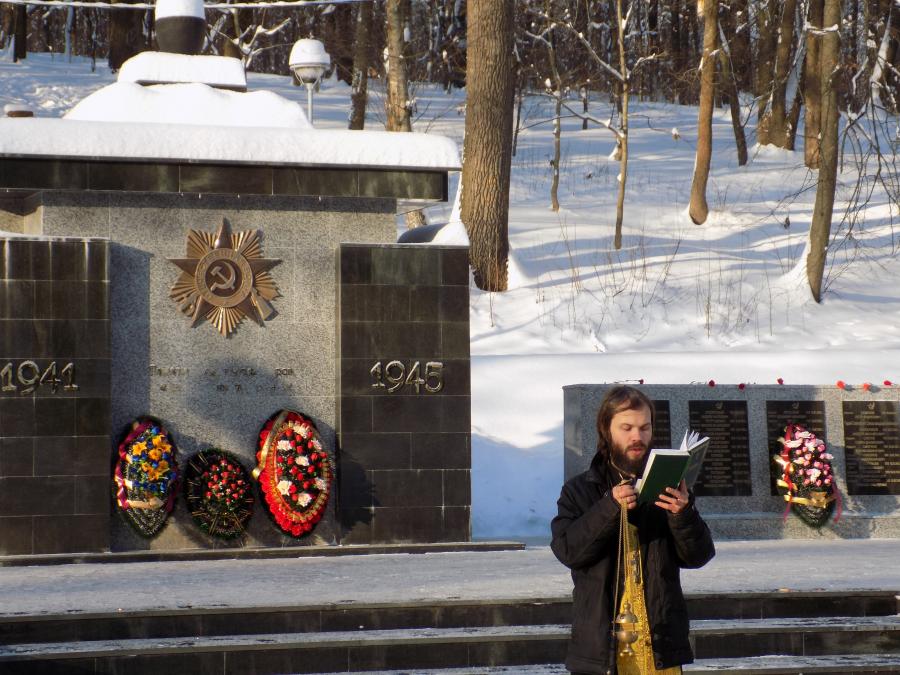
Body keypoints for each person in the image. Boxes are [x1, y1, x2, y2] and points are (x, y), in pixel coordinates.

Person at [551, 385, 715, 675]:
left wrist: (682, 514)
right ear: (606, 429)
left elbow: (698, 556)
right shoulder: (579, 490)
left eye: (644, 428)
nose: (637, 437)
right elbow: (568, 551)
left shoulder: (670, 484)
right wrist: (609, 507)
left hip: (660, 644)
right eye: (626, 427)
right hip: (602, 647)